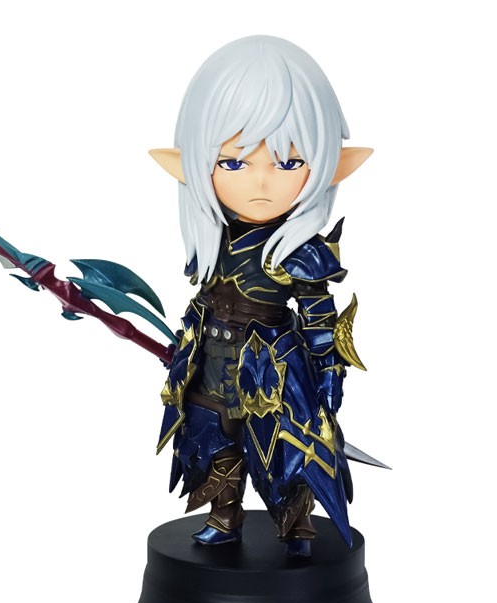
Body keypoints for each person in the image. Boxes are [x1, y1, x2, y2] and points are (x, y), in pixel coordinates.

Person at [151, 36, 371, 557]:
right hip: (209, 355)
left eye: (288, 163)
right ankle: (224, 517)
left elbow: (319, 319)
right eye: (234, 163)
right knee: (211, 436)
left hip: (273, 366)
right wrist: (185, 347)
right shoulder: (214, 238)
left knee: (285, 450)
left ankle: (296, 526)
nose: (261, 183)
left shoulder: (301, 252)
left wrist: (329, 374)